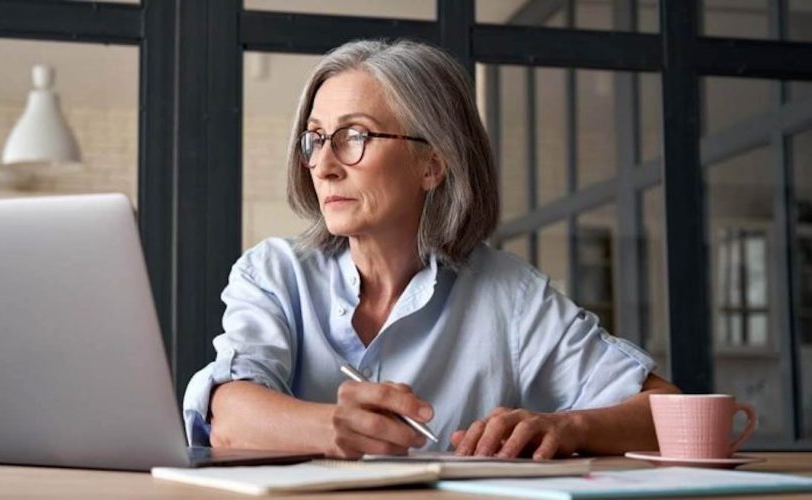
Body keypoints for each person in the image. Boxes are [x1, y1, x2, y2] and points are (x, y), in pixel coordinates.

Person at [183, 39, 680, 460]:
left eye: (354, 136)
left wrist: (569, 428)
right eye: (315, 139)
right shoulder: (274, 272)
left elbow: (670, 413)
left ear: (432, 165)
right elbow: (228, 416)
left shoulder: (510, 294)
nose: (325, 165)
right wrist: (335, 427)